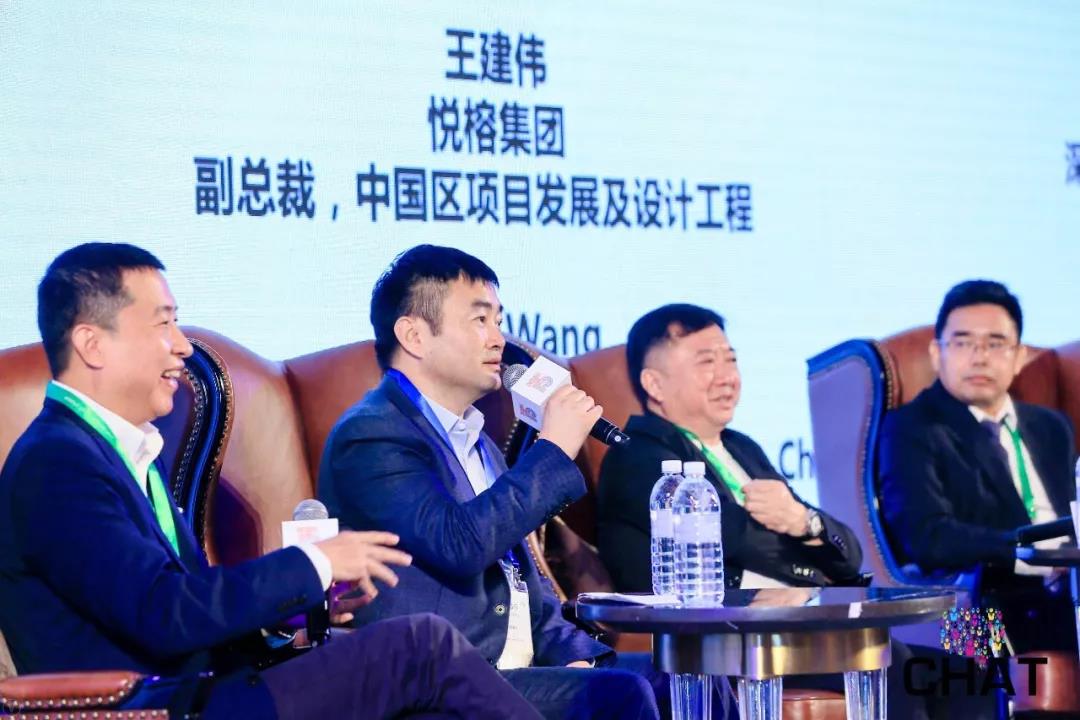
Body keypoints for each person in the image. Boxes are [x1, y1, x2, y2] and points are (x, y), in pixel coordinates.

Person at [0, 243, 542, 720]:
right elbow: (163, 612)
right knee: (422, 646)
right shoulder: (57, 464)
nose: (182, 345)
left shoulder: (118, 452)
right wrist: (314, 562)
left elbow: (178, 611)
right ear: (92, 344)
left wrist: (290, 616)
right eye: (162, 324)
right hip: (160, 707)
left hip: (204, 693)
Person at [320, 245, 663, 720]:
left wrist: (573, 656)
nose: (498, 339)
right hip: (441, 683)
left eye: (498, 321)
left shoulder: (476, 441)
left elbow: (524, 582)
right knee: (620, 697)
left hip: (517, 673)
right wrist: (553, 449)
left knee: (687, 677)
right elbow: (459, 544)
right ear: (414, 335)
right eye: (480, 320)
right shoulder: (372, 436)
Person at [597, 303, 862, 592]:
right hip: (710, 617)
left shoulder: (742, 447)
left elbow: (850, 558)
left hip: (787, 610)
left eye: (731, 360)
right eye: (707, 362)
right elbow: (730, 538)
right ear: (654, 384)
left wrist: (804, 522)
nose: (728, 378)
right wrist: (816, 571)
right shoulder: (637, 456)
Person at [879, 279, 1076, 654]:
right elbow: (927, 537)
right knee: (981, 644)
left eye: (995, 344)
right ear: (937, 354)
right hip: (988, 599)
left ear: (1019, 357)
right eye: (963, 342)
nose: (980, 357)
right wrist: (1036, 558)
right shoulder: (911, 428)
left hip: (1070, 591)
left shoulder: (1051, 427)